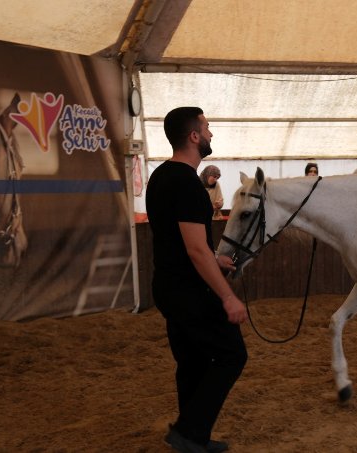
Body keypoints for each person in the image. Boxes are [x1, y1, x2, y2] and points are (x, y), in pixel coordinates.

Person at [146, 106, 248, 453]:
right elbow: (195, 251)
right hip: (189, 290)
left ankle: (193, 436)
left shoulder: (160, 176)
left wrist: (213, 255)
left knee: (192, 361)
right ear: (193, 136)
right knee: (232, 355)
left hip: (168, 286)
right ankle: (188, 433)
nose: (210, 133)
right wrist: (228, 298)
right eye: (206, 127)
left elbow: (181, 241)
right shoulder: (187, 184)